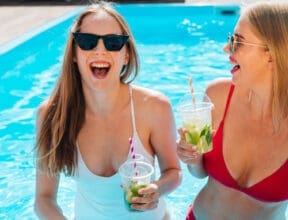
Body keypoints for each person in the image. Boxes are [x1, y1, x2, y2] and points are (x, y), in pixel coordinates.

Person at [177, 1, 288, 219]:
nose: (226, 48)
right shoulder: (217, 95)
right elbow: (199, 174)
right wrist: (192, 158)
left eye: (238, 41)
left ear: (273, 54)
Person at [34, 2, 181, 220]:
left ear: (126, 55)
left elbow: (173, 172)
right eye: (87, 42)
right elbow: (44, 199)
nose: (100, 50)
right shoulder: (52, 114)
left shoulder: (154, 107)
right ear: (74, 53)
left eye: (113, 43)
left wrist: (157, 189)